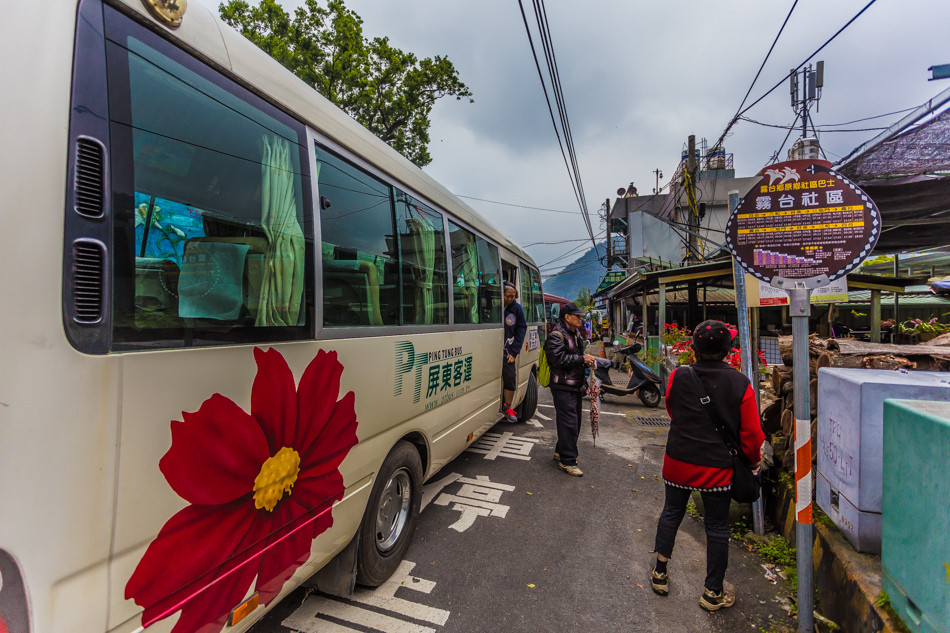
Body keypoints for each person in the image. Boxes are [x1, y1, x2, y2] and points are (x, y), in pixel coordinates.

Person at [650, 320, 764, 611]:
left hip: (678, 460)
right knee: (716, 527)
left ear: (694, 348)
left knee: (671, 512)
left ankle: (660, 573)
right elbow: (751, 434)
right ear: (728, 350)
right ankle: (713, 592)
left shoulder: (679, 375)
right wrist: (752, 461)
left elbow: (671, 408)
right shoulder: (740, 383)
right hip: (717, 469)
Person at [544, 301, 597, 476]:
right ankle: (568, 461)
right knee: (569, 424)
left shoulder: (575, 334)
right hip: (562, 385)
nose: (580, 319)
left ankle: (561, 451)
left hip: (575, 385)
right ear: (567, 317)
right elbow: (557, 360)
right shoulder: (556, 336)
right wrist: (582, 359)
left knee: (572, 423)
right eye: (578, 316)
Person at [501, 282, 528, 423]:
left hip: (508, 350)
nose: (510, 299)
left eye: (513, 296)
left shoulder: (517, 309)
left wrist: (514, 351)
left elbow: (521, 329)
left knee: (510, 377)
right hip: (491, 348)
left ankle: (508, 407)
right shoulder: (493, 305)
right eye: (508, 296)